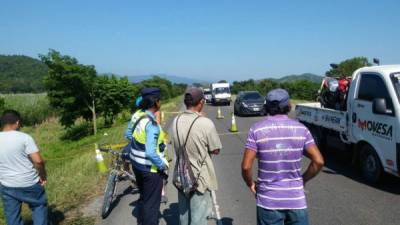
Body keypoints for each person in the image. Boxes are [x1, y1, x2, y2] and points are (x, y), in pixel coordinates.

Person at [241, 89, 324, 225]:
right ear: (289, 106)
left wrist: (250, 184)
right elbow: (319, 161)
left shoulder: (256, 129)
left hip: (268, 201)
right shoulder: (302, 129)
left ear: (266, 106)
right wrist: (303, 180)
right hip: (296, 200)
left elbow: (246, 167)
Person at [171, 87, 222, 225]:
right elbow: (216, 149)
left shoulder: (175, 121)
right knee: (199, 218)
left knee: (184, 216)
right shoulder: (205, 123)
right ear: (201, 102)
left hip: (182, 175)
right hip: (200, 177)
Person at [127, 88, 169, 225]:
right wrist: (162, 165)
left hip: (137, 166)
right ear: (155, 102)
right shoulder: (151, 124)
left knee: (144, 199)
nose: (160, 102)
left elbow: (129, 136)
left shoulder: (138, 117)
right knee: (152, 207)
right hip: (150, 170)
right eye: (159, 100)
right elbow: (151, 152)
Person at [0, 110, 48, 225]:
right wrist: (43, 175)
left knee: (12, 216)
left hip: (7, 185)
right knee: (38, 206)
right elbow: (38, 161)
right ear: (17, 122)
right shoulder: (25, 137)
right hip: (29, 183)